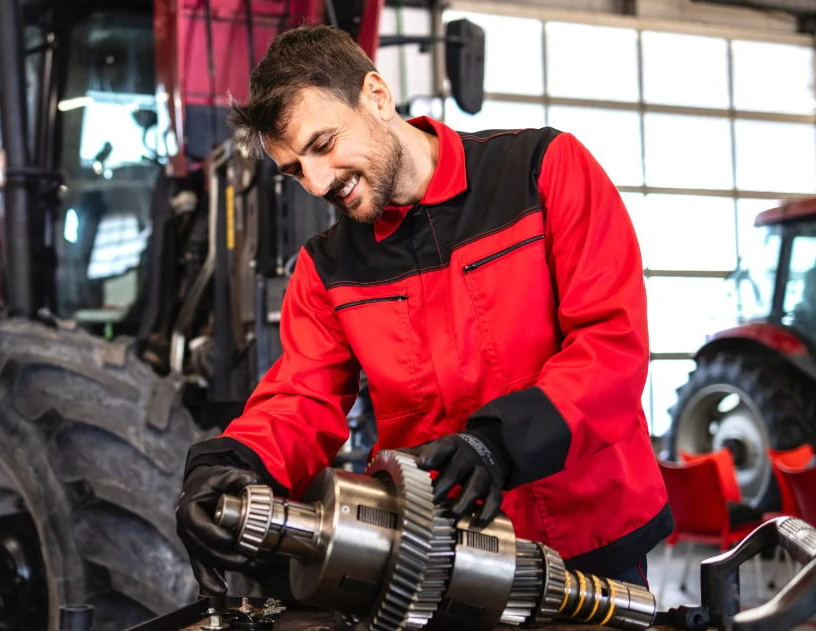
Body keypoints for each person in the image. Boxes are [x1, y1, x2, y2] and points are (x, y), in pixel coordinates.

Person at [175, 23, 674, 599]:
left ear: (377, 97)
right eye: (294, 171)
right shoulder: (326, 268)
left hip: (595, 545)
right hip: (445, 559)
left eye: (322, 145)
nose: (316, 183)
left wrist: (498, 443)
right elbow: (300, 399)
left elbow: (611, 345)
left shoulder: (543, 170)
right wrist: (229, 463)